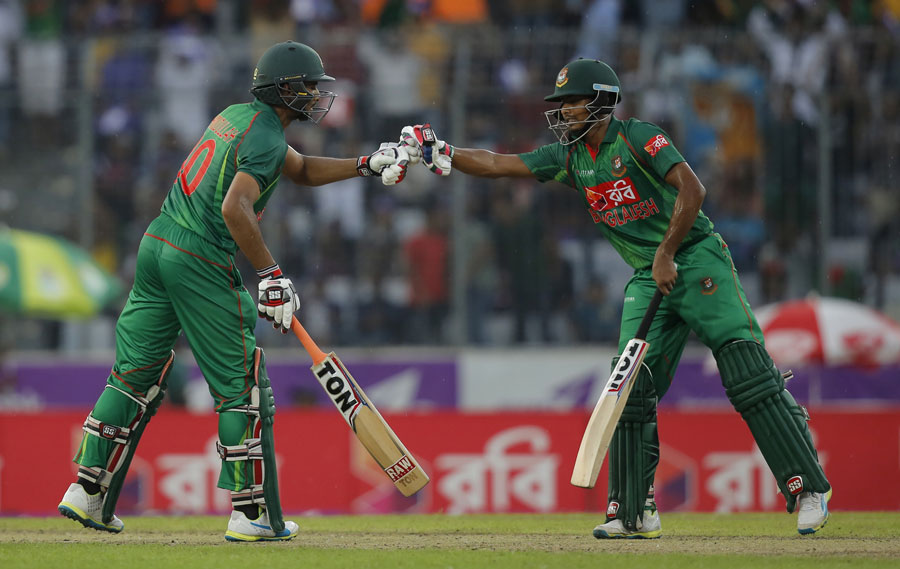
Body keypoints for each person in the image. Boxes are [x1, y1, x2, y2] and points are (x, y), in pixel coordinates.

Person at [399, 58, 831, 538]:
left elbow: (694, 187)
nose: (562, 113)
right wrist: (443, 150)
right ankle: (632, 510)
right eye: (559, 105)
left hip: (695, 256)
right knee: (629, 387)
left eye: (572, 102)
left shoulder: (638, 136)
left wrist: (667, 252)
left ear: (602, 101)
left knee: (744, 370)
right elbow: (503, 164)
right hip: (649, 276)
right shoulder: (570, 158)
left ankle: (807, 486)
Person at [57, 41, 410, 542]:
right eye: (309, 86)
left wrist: (367, 164)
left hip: (158, 244)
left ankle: (87, 491)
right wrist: (270, 273)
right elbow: (234, 207)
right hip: (201, 255)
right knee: (242, 387)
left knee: (134, 377)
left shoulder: (240, 116)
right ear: (284, 89)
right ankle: (253, 514)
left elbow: (302, 168)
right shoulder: (265, 135)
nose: (316, 95)